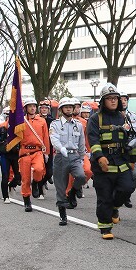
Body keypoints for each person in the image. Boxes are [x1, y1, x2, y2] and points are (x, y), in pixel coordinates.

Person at [88, 83, 136, 239]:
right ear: (103, 101)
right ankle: (105, 227)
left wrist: (132, 159)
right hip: (103, 162)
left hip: (121, 160)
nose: (113, 101)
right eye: (109, 98)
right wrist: (99, 157)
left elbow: (132, 138)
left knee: (127, 187)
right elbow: (93, 140)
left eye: (115, 98)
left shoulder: (124, 117)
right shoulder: (96, 118)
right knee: (104, 196)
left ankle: (115, 207)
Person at [50, 97, 86, 226]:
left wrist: (82, 157)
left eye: (71, 107)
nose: (69, 109)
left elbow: (81, 142)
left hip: (74, 156)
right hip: (61, 157)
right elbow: (54, 138)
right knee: (60, 186)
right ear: (61, 110)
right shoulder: (55, 124)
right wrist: (61, 148)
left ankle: (73, 193)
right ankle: (63, 215)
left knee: (82, 176)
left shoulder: (78, 125)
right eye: (66, 107)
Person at [18, 97, 50, 212]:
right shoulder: (20, 121)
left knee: (39, 169)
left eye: (34, 106)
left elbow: (46, 137)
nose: (32, 108)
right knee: (25, 179)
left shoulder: (41, 121)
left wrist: (46, 153)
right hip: (25, 152)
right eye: (30, 106)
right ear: (25, 108)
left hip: (37, 151)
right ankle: (27, 201)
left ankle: (36, 182)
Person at [65, 98, 92, 207]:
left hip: (81, 151)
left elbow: (87, 138)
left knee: (88, 171)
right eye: (74, 107)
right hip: (68, 152)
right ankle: (69, 195)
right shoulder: (62, 121)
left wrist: (89, 151)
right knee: (70, 175)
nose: (76, 109)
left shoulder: (83, 122)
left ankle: (76, 187)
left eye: (77, 107)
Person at [0, 107, 21, 203]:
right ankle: (5, 196)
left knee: (18, 176)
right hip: (5, 155)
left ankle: (12, 185)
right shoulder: (1, 129)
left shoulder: (19, 128)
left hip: (16, 155)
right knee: (5, 176)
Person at [120, 91, 136, 208]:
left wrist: (132, 145)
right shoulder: (114, 116)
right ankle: (117, 201)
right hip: (119, 152)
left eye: (125, 99)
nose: (123, 102)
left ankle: (127, 195)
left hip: (132, 152)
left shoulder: (134, 116)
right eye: (121, 99)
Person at [38, 99, 54, 188]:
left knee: (49, 171)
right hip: (39, 146)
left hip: (49, 146)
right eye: (42, 108)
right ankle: (39, 184)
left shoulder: (52, 121)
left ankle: (45, 179)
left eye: (46, 108)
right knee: (40, 167)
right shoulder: (36, 119)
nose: (44, 110)